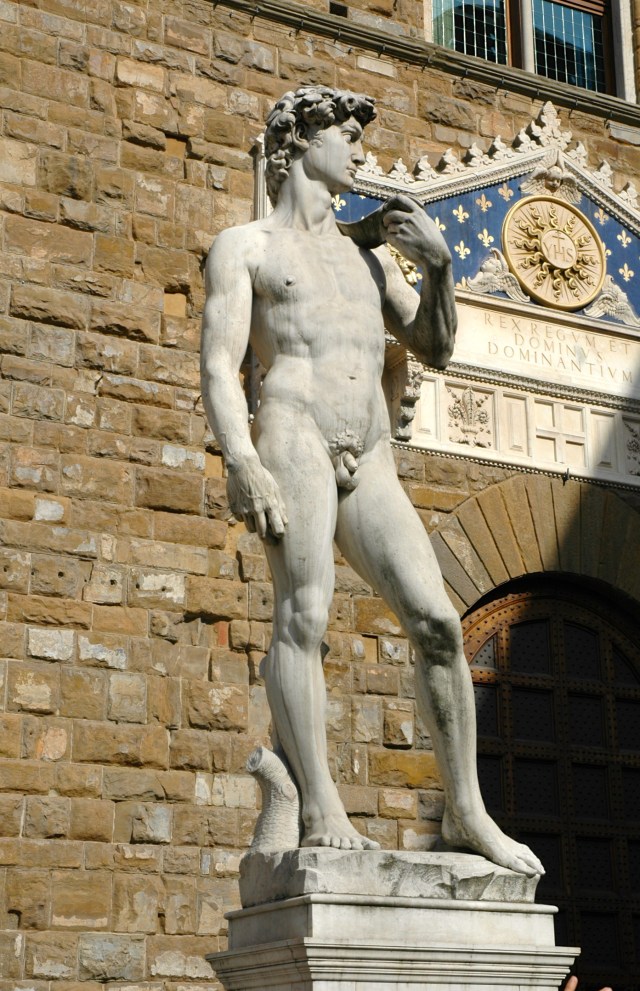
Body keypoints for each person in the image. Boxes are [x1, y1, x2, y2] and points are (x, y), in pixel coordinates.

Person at [200, 85, 543, 875]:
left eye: (360, 134)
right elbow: (220, 365)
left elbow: (434, 346)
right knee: (305, 615)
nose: (358, 148)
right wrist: (242, 458)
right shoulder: (246, 246)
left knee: (437, 622)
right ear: (296, 142)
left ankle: (466, 811)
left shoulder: (365, 256)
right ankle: (320, 805)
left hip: (371, 449)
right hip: (294, 432)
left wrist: (443, 267)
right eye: (344, 134)